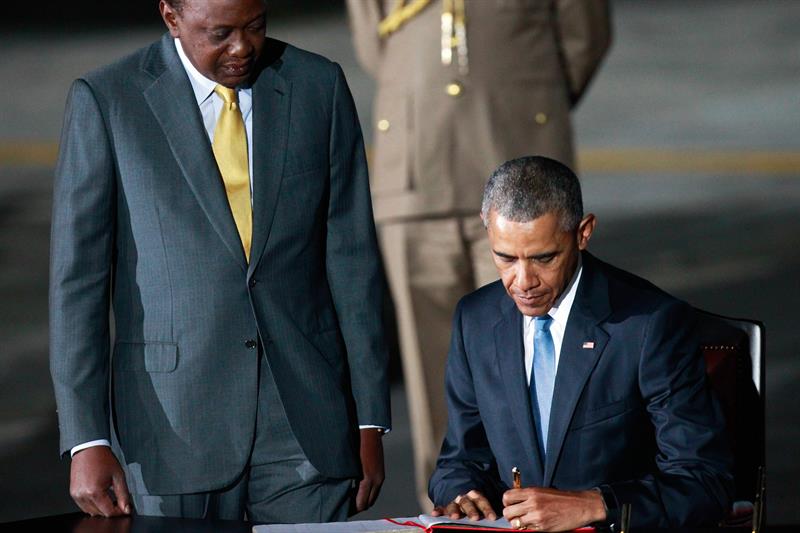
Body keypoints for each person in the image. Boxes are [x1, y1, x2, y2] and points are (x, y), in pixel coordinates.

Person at [49, 0, 390, 523]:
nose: (242, 48)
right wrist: (86, 438)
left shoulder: (317, 85)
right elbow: (78, 283)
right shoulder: (108, 99)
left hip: (306, 422)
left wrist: (369, 420)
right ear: (171, 17)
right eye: (220, 33)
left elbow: (352, 261)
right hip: (172, 426)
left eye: (255, 27)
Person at [346, 0, 611, 507]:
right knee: (430, 368)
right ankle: (449, 508)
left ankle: (549, 501)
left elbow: (583, 37)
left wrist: (526, 99)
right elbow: (373, 40)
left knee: (542, 344)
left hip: (517, 150)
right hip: (417, 168)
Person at [428, 156, 734, 530]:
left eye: (544, 258)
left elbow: (705, 482)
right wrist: (462, 494)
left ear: (583, 232)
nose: (523, 281)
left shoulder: (648, 324)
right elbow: (458, 461)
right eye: (504, 258)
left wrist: (596, 504)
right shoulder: (475, 319)